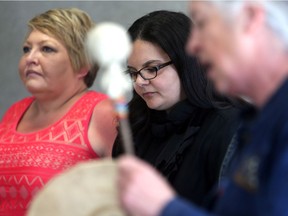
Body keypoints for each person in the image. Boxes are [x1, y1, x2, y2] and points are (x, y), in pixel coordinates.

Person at [117, 1, 288, 216]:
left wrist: (164, 207)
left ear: (250, 18)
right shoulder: (257, 119)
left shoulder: (231, 124)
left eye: (203, 23)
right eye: (133, 72)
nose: (193, 46)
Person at [113, 10, 245, 206]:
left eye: (152, 69)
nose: (139, 81)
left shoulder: (229, 126)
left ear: (187, 63)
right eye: (133, 72)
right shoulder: (134, 124)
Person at [0, 8, 117, 216]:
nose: (30, 58)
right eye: (27, 49)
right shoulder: (14, 112)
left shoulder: (103, 113)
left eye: (47, 49)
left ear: (83, 65)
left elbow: (130, 196)